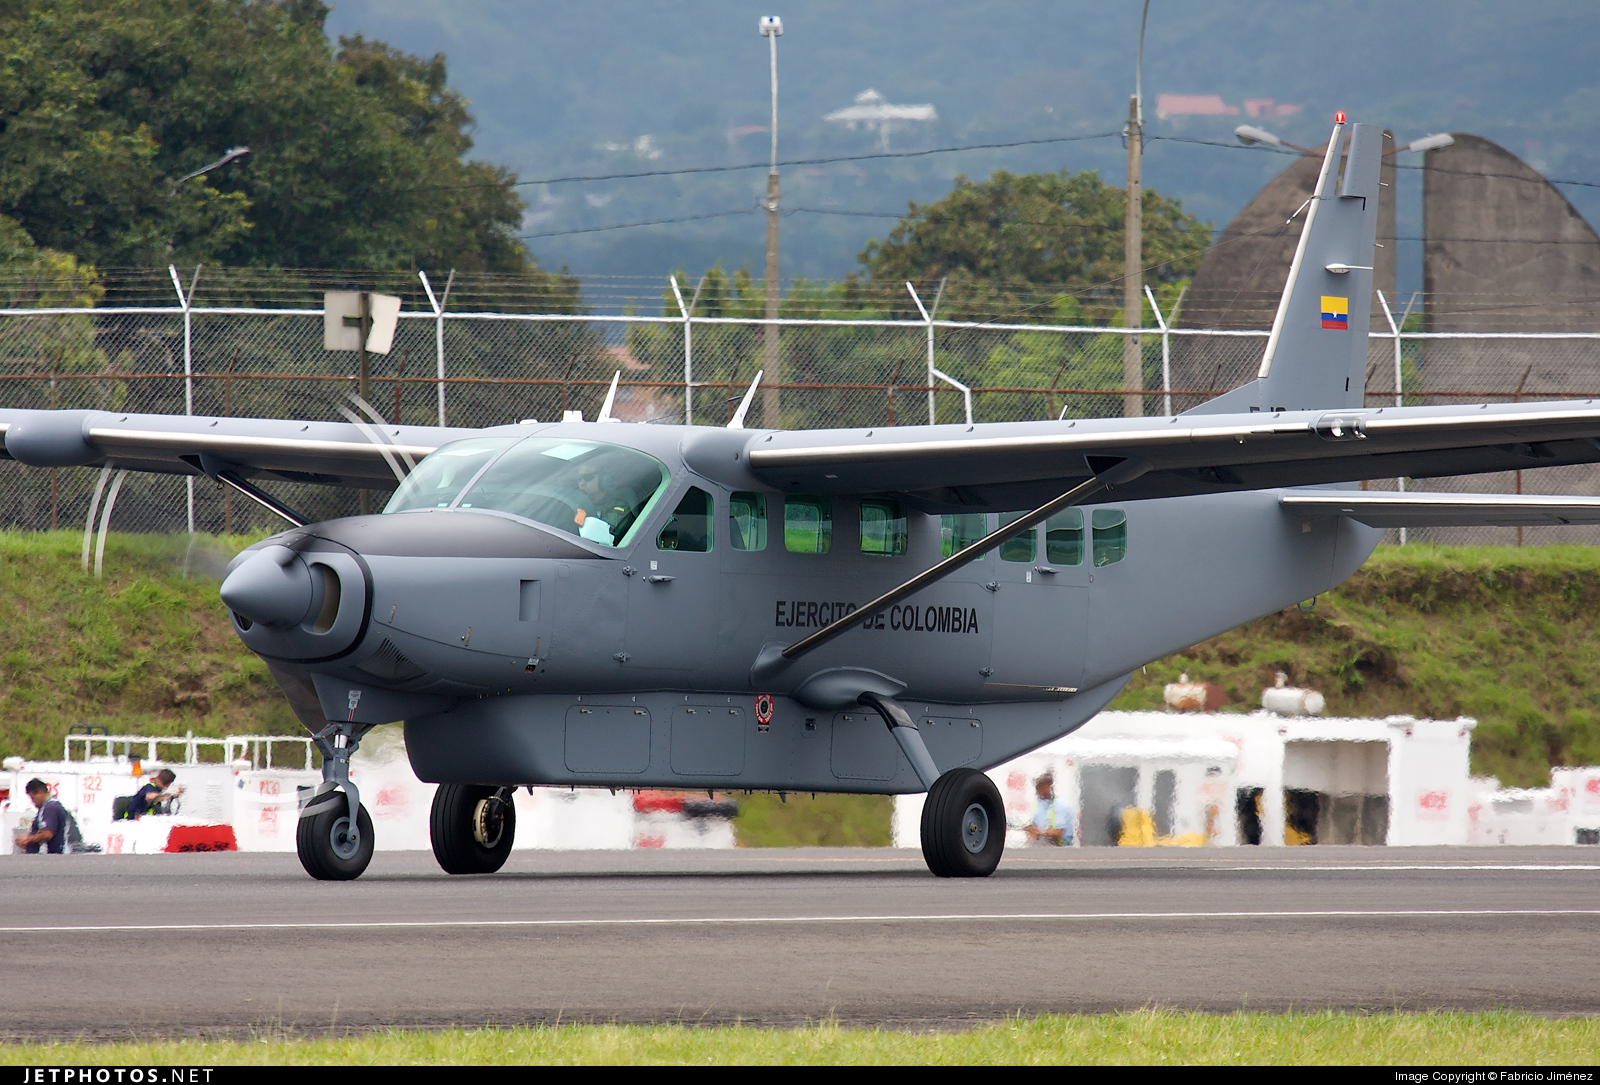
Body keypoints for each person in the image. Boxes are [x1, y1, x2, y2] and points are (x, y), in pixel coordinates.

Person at [14, 779, 67, 854]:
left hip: (56, 855)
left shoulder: (50, 807)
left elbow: (48, 834)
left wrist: (27, 839)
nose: (33, 802)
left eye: (33, 798)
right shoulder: (53, 804)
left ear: (40, 793)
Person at [1023, 772, 1073, 846]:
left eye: (1041, 787)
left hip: (1061, 849)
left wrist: (1040, 832)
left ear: (1049, 787)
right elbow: (1035, 827)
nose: (1038, 791)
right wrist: (1031, 830)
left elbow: (1058, 833)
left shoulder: (1060, 805)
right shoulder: (1039, 806)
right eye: (1037, 787)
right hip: (1043, 847)